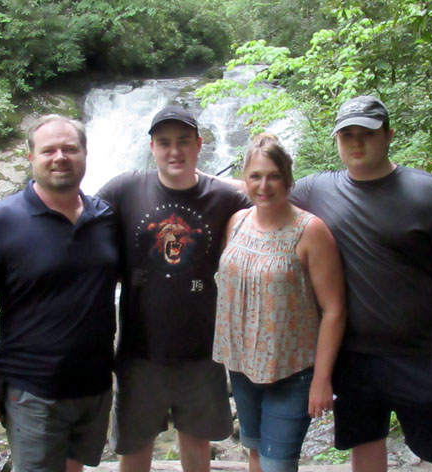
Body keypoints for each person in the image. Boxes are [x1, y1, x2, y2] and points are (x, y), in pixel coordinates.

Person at [288, 96, 432, 471]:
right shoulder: (317, 191)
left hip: (424, 355)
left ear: (389, 135)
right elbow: (263, 190)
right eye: (347, 135)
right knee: (365, 449)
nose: (356, 142)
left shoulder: (429, 193)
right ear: (337, 140)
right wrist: (192, 179)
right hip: (354, 359)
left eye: (367, 133)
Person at [0, 115, 120, 472]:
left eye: (70, 149)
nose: (60, 157)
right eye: (49, 150)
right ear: (31, 158)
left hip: (94, 386)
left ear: (85, 154)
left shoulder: (105, 217)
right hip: (31, 390)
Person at [97, 105, 250, 472]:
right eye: (164, 143)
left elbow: (269, 202)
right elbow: (78, 219)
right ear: (152, 147)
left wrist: (221, 181)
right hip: (138, 354)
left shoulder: (224, 198)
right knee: (134, 447)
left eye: (183, 141)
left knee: (196, 444)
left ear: (199, 144)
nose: (174, 151)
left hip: (202, 353)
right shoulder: (124, 189)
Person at [213, 134, 346, 472]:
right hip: (242, 367)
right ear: (245, 180)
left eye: (273, 176)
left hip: (292, 371)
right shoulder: (237, 222)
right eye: (255, 176)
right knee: (255, 455)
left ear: (288, 179)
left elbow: (334, 309)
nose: (264, 185)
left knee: (277, 466)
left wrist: (322, 379)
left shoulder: (310, 231)